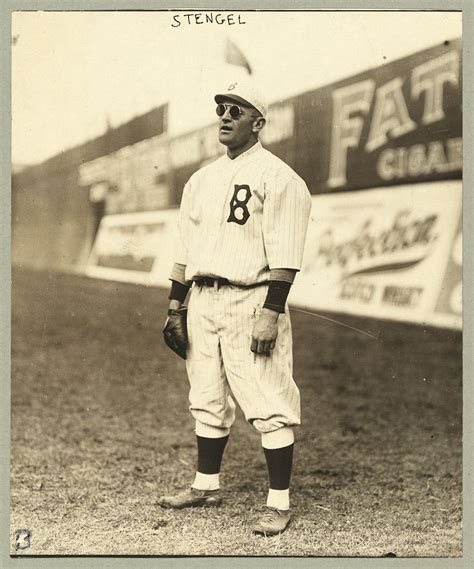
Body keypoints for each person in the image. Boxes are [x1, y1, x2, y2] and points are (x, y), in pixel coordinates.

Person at [159, 78, 312, 536]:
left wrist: (272, 311)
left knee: (268, 398)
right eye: (221, 108)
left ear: (258, 123)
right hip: (203, 297)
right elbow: (184, 246)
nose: (225, 116)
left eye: (236, 110)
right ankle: (206, 485)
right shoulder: (201, 178)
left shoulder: (280, 177)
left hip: (252, 298)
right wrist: (174, 306)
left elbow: (286, 253)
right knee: (205, 395)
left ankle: (279, 503)